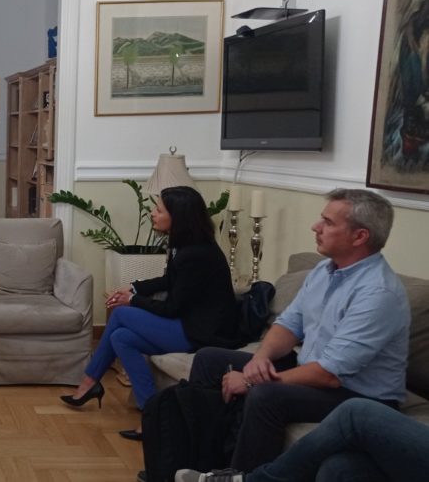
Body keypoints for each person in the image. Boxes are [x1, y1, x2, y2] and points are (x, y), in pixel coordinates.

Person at [186, 188, 410, 472]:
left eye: (328, 222)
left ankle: (242, 477)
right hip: (314, 370)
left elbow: (329, 374)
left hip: (358, 396)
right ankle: (199, 465)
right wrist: (259, 360)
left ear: (359, 236)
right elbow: (288, 325)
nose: (316, 227)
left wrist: (252, 382)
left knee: (266, 396)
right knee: (209, 359)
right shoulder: (324, 270)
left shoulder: (378, 293)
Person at [60, 186, 242, 439]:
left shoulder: (196, 254)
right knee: (121, 338)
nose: (153, 214)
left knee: (121, 314)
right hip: (187, 323)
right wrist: (134, 287)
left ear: (178, 216)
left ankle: (89, 382)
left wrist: (132, 299)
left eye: (159, 210)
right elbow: (169, 281)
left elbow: (171, 308)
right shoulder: (186, 245)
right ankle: (152, 414)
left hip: (200, 333)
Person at [175, 398, 429, 482]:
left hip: (353, 384)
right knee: (339, 468)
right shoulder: (321, 288)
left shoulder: (380, 294)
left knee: (356, 413)